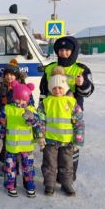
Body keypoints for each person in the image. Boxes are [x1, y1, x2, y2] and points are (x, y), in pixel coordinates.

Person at [39, 36, 93, 181]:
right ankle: (52, 176)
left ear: (73, 51)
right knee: (53, 148)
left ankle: (68, 176)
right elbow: (43, 91)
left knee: (70, 148)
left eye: (67, 50)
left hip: (72, 113)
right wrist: (41, 109)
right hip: (52, 113)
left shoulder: (81, 69)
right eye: (61, 50)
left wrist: (82, 84)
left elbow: (88, 93)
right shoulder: (50, 68)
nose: (63, 53)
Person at [40, 67, 85, 197]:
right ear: (50, 88)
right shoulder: (46, 102)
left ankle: (66, 184)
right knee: (49, 163)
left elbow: (79, 122)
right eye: (54, 88)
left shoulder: (71, 102)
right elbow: (40, 121)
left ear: (65, 88)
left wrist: (79, 140)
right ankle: (49, 184)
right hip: (50, 140)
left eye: (60, 88)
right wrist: (40, 136)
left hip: (67, 141)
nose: (57, 90)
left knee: (67, 163)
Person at [0, 81, 43, 198]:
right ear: (14, 97)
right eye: (18, 99)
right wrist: (0, 138)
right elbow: (1, 124)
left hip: (26, 147)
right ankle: (10, 186)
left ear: (27, 99)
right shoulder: (7, 109)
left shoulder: (31, 108)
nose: (20, 102)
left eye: (23, 100)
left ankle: (30, 186)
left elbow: (37, 123)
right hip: (12, 145)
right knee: (10, 168)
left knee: (28, 168)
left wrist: (31, 118)